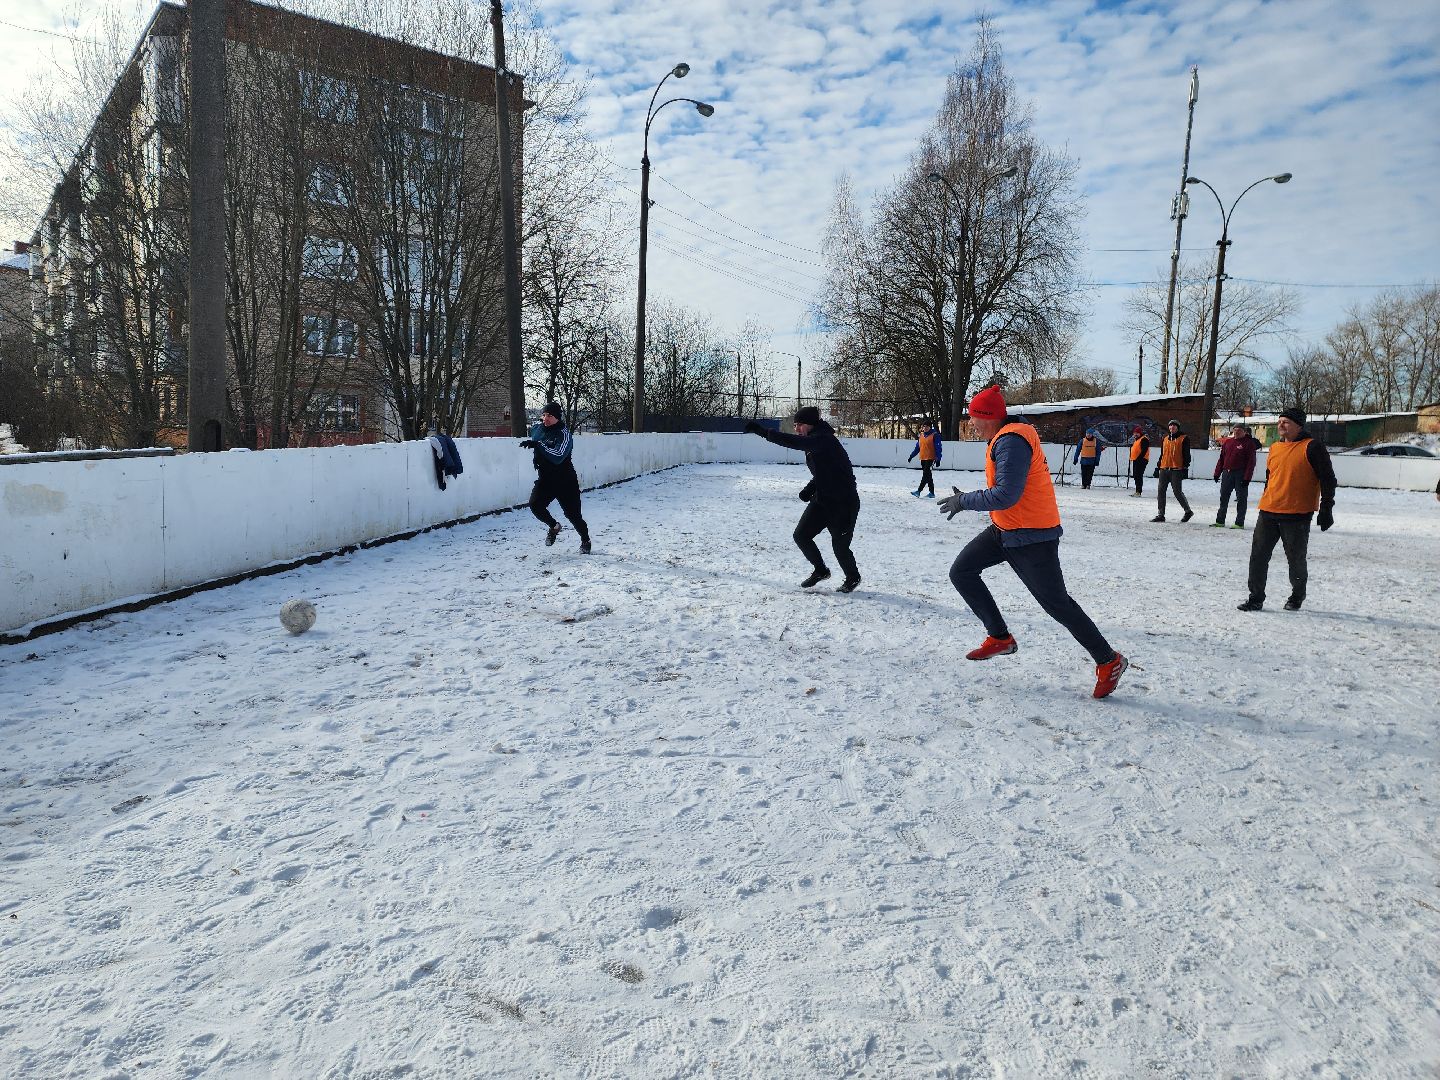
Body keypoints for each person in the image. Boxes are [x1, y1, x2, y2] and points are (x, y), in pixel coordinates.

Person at [938, 385, 1128, 698]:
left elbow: (1006, 495)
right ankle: (999, 637)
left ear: (990, 417)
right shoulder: (1005, 437)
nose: (971, 423)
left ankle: (1109, 661)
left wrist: (964, 501)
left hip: (1032, 536)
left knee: (1057, 604)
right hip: (1005, 530)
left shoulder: (1011, 441)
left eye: (974, 417)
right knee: (962, 572)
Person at [744, 406, 862, 593]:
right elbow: (825, 472)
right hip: (823, 499)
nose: (796, 429)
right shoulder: (814, 441)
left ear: (810, 424)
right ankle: (821, 570)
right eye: (795, 425)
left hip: (843, 503)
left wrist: (763, 432)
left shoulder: (823, 439)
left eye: (799, 425)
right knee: (801, 536)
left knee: (839, 546)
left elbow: (792, 442)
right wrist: (809, 489)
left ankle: (853, 577)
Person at [1238, 408, 1336, 612]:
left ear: (1299, 425)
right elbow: (1270, 477)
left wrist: (1327, 507)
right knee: (1258, 556)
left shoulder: (1312, 447)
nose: (1281, 425)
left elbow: (1328, 479)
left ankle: (1297, 595)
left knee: (1295, 559)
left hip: (1297, 514)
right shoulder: (1274, 448)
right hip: (1268, 510)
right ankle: (1255, 597)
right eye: (1280, 421)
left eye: (1286, 422)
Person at [520, 401, 592, 554]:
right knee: (535, 505)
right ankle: (554, 527)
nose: (546, 419)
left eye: (550, 416)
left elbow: (558, 456)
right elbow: (534, 436)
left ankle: (585, 540)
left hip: (565, 481)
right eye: (544, 415)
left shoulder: (564, 434)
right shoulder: (538, 429)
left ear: (558, 418)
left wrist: (539, 446)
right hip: (546, 480)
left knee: (573, 515)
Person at [1211, 423, 1259, 529]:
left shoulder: (1248, 443)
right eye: (1235, 429)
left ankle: (1239, 522)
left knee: (1241, 499)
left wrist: (1247, 478)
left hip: (1240, 474)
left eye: (1239, 430)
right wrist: (1217, 473)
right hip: (1227, 473)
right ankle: (1220, 521)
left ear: (1244, 431)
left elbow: (1251, 462)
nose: (1237, 432)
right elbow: (1221, 459)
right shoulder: (1228, 442)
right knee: (1223, 497)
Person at [1152, 419, 1193, 522]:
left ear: (1177, 427)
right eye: (1170, 426)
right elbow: (1163, 454)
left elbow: (1186, 455)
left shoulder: (1184, 438)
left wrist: (1185, 467)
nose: (1172, 427)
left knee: (1177, 492)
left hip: (1176, 469)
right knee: (1161, 492)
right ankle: (1161, 514)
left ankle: (1188, 511)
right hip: (1164, 468)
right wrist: (1158, 467)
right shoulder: (1165, 439)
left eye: (1174, 426)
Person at [907, 420, 942, 498]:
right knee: (928, 475)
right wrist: (911, 456)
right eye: (924, 426)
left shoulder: (935, 435)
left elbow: (938, 448)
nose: (925, 428)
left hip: (931, 458)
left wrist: (938, 459)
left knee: (925, 474)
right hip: (923, 458)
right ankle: (932, 493)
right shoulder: (921, 435)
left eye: (927, 426)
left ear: (930, 427)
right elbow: (917, 448)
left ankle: (918, 491)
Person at [1128, 425, 1150, 497]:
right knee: (1136, 475)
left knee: (1138, 475)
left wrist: (1139, 458)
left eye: (1137, 433)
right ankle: (1137, 491)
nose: (1135, 434)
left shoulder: (1144, 439)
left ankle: (1138, 492)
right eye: (1134, 433)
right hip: (1136, 460)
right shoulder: (1137, 440)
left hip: (1141, 460)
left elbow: (1144, 450)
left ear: (1140, 433)